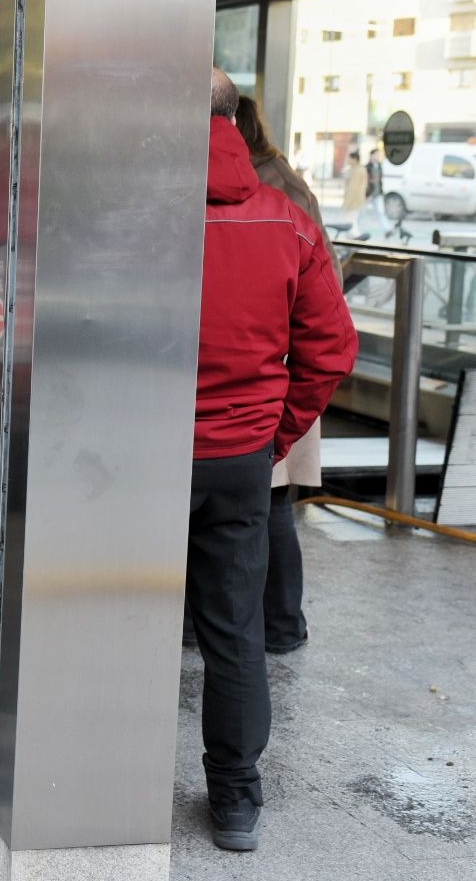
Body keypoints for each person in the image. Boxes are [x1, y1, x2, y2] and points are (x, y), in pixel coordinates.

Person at [191, 69, 357, 853]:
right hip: (238, 459)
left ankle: (92, 783)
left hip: (138, 462)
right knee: (234, 631)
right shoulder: (288, 221)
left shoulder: (138, 218)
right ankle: (235, 802)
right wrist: (272, 436)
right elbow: (333, 347)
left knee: (109, 611)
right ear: (235, 116)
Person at [233, 96, 336, 653]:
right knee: (272, 506)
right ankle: (282, 626)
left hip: (267, 372)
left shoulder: (259, 190)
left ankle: (273, 625)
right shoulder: (291, 185)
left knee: (266, 507)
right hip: (288, 370)